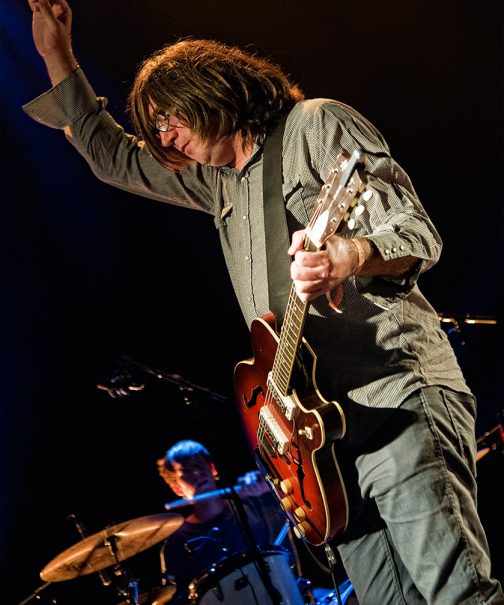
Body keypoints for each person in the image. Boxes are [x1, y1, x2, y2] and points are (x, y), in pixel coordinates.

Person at [24, 1, 503, 603]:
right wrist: (56, 55)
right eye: (156, 128)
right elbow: (114, 159)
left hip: (392, 396)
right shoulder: (218, 179)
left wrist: (350, 255)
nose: (165, 138)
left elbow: (415, 234)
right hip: (322, 446)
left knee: (458, 594)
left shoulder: (315, 125)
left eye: (168, 118)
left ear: (210, 90)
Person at [155, 439, 304, 603]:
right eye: (186, 471)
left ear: (212, 468)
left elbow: (299, 496)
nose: (197, 472)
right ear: (176, 488)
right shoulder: (176, 544)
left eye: (199, 464)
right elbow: (177, 597)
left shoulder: (256, 503)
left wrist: (268, 483)